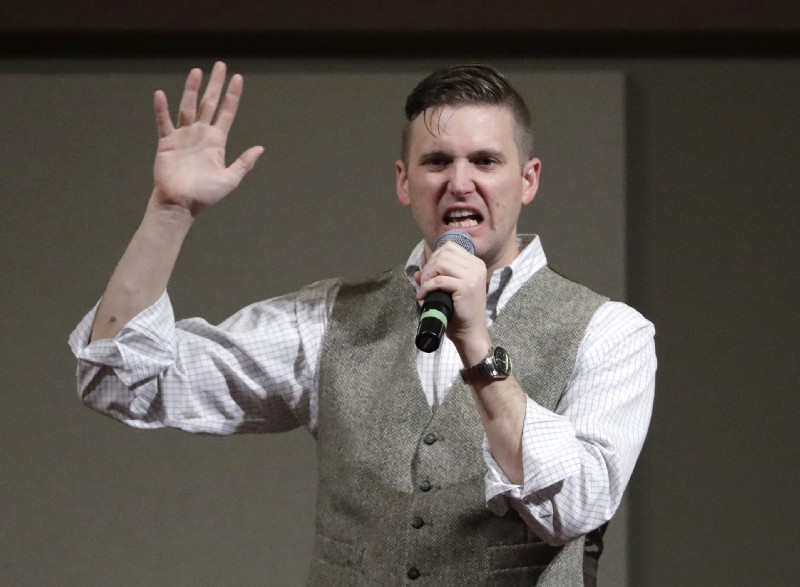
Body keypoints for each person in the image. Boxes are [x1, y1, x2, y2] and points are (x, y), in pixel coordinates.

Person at [69, 62, 656, 586]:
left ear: (527, 179)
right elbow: (121, 380)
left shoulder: (609, 332)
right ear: (405, 182)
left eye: (484, 160)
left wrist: (477, 343)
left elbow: (578, 506)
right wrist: (169, 212)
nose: (459, 181)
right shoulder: (330, 320)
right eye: (436, 161)